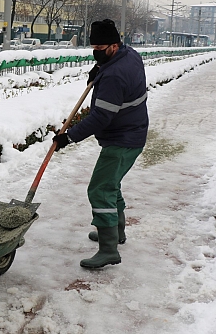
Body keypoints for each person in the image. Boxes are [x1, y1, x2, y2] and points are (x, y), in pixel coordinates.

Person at [52, 19, 148, 269]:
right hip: (132, 133)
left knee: (100, 189)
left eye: (100, 48)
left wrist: (69, 136)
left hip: (123, 139)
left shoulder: (115, 75)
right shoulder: (129, 55)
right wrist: (100, 69)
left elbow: (101, 117)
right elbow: (115, 70)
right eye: (93, 47)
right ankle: (117, 232)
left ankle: (108, 250)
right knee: (111, 184)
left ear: (114, 46)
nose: (96, 52)